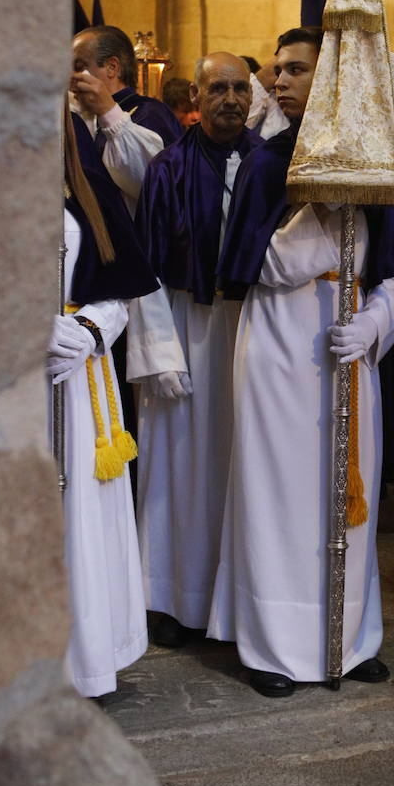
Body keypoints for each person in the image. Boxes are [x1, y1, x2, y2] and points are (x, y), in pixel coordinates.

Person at [208, 26, 394, 696]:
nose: (277, 81)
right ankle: (273, 646)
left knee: (347, 494)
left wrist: (376, 326)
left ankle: (350, 639)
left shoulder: (378, 164)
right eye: (276, 70)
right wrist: (324, 217)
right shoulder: (269, 164)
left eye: (295, 70)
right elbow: (261, 265)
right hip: (280, 351)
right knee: (281, 497)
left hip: (350, 344)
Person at [125, 53, 260, 648]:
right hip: (185, 327)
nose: (230, 98)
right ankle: (172, 598)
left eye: (239, 88)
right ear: (196, 97)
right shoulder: (168, 167)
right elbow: (147, 269)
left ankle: (237, 601)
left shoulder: (272, 161)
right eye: (218, 88)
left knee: (241, 466)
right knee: (179, 463)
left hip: (256, 326)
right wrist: (158, 352)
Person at [46, 103, 158, 697]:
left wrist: (88, 330)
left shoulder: (90, 192)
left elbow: (123, 289)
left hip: (78, 378)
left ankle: (81, 661)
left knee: (79, 518)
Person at [72, 25, 181, 212]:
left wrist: (109, 112)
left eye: (79, 67)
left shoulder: (150, 113)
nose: (70, 77)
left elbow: (154, 185)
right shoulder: (88, 118)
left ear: (111, 68)